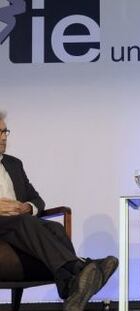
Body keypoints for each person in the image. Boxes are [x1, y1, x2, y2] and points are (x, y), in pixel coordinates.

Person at [0, 112, 118, 311]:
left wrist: (27, 207)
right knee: (26, 222)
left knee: (54, 228)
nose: (4, 137)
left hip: (19, 224)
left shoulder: (14, 164)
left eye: (5, 131)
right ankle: (80, 268)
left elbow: (37, 199)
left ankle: (72, 290)